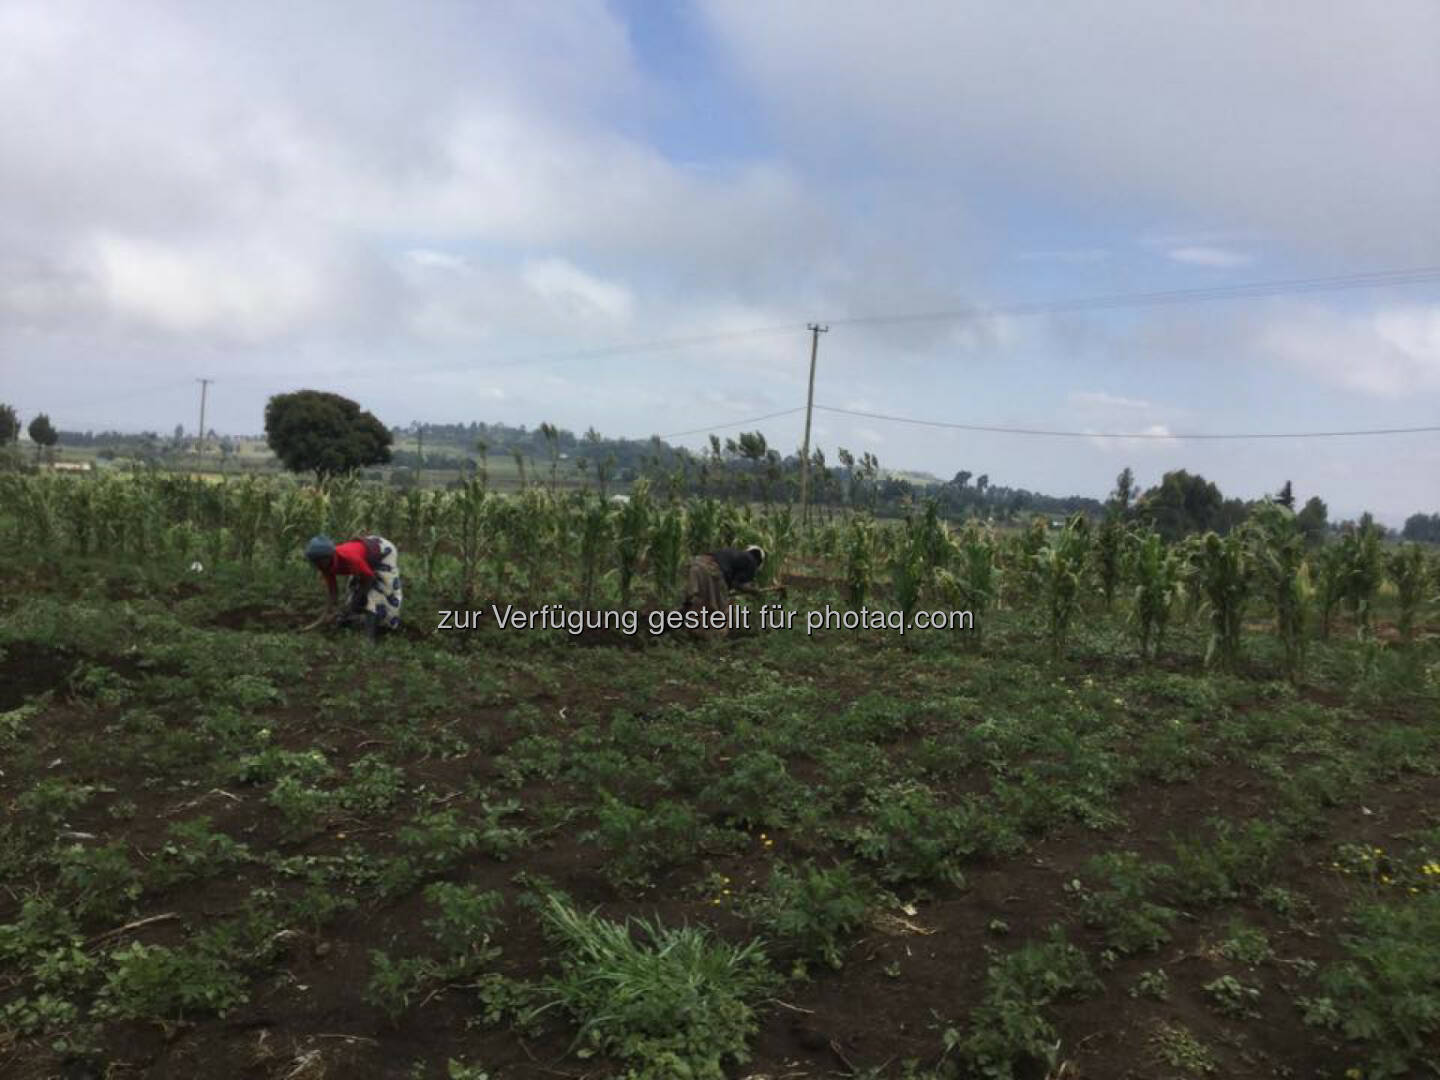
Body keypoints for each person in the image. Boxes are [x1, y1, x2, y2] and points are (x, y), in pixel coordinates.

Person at [301, 534, 403, 641]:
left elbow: (369, 578)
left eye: (319, 561)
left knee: (376, 594)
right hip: (363, 557)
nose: (317, 564)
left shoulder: (349, 558)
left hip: (383, 551)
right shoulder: (324, 566)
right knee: (353, 592)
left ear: (327, 557)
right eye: (315, 561)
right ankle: (351, 622)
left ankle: (370, 639)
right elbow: (333, 592)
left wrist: (357, 601)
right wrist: (328, 613)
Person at [681, 545, 778, 638]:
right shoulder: (751, 561)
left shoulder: (734, 554)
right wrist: (754, 591)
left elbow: (731, 580)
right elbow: (738, 584)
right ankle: (706, 637)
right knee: (718, 611)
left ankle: (683, 626)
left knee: (698, 602)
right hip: (712, 571)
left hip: (697, 564)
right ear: (759, 560)